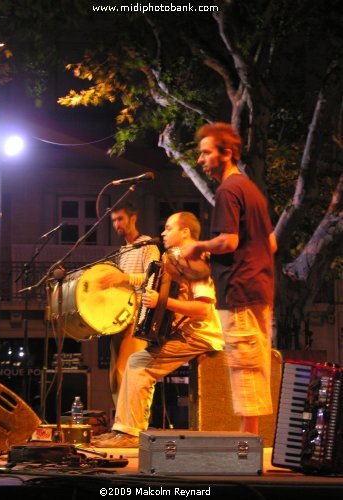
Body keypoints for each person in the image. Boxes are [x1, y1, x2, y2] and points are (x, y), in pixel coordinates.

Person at [94, 212, 224, 448]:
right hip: (180, 333)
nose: (163, 232)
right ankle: (121, 430)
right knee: (136, 362)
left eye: (168, 227)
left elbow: (204, 310)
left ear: (185, 231)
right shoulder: (172, 259)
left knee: (138, 365)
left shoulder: (195, 262)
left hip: (198, 334)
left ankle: (131, 434)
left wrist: (160, 303)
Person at [182, 122, 277, 434]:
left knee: (244, 367)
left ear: (227, 154)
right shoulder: (251, 191)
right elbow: (270, 243)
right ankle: (248, 441)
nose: (201, 160)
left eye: (206, 153)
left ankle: (245, 445)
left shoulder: (228, 190)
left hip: (239, 290)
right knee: (253, 365)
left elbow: (229, 241)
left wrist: (199, 246)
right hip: (258, 288)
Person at [103, 202, 160, 407]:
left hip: (138, 314)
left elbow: (152, 277)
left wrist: (123, 278)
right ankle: (120, 420)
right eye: (114, 221)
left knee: (127, 368)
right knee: (115, 370)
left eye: (120, 219)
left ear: (132, 219)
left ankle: (129, 424)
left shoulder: (148, 245)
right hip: (121, 313)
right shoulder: (122, 250)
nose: (116, 224)